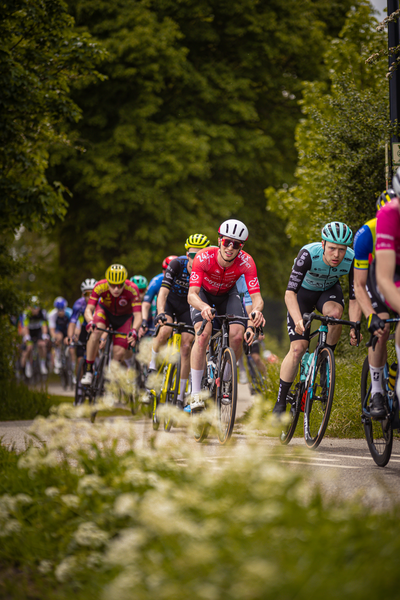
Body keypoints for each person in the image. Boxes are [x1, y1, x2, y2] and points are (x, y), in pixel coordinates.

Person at [272, 221, 359, 416]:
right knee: (298, 348)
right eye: (332, 249)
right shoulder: (308, 254)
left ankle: (325, 362)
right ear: (323, 244)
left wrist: (355, 325)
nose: (336, 255)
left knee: (336, 316)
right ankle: (280, 402)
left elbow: (355, 298)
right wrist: (297, 320)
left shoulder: (353, 259)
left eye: (342, 250)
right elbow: (289, 294)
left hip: (327, 292)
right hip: (302, 294)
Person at [188, 219, 264, 411]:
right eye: (226, 242)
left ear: (242, 246)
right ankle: (195, 392)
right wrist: (203, 307)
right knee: (202, 334)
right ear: (219, 239)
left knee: (238, 336)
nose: (230, 248)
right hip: (203, 295)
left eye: (236, 244)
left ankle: (227, 381)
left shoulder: (247, 262)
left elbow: (257, 298)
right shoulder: (203, 257)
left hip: (227, 295)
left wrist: (256, 312)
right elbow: (192, 294)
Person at [152, 233, 211, 407]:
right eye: (193, 255)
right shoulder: (176, 264)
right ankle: (151, 367)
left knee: (186, 347)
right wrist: (160, 312)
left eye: (201, 255)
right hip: (171, 303)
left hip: (188, 308)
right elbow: (163, 292)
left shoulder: (207, 270)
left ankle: (181, 395)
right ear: (187, 255)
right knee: (164, 331)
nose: (196, 259)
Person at [353, 190, 396, 418]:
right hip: (373, 277)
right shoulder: (366, 233)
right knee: (383, 327)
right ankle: (377, 392)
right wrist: (370, 315)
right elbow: (359, 284)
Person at [80, 264, 142, 386]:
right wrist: (90, 321)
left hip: (124, 318)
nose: (116, 289)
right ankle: (88, 371)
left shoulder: (132, 289)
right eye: (112, 285)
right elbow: (89, 309)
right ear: (107, 282)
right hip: (105, 312)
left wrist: (134, 330)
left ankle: (110, 378)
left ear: (125, 282)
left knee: (118, 353)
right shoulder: (100, 286)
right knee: (96, 332)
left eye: (119, 285)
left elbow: (138, 315)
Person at [374, 168, 400, 407]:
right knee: (381, 329)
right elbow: (382, 279)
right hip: (391, 273)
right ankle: (376, 391)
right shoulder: (388, 215)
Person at [66, 278, 97, 380]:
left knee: (96, 353)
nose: (90, 297)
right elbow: (72, 322)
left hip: (98, 329)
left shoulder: (101, 302)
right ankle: (79, 387)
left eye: (92, 293)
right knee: (79, 359)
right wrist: (70, 337)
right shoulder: (79, 304)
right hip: (85, 328)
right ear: (83, 295)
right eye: (87, 294)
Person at [141, 256, 177, 337]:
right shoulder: (156, 281)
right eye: (166, 271)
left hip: (179, 309)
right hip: (165, 309)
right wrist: (144, 321)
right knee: (162, 333)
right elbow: (146, 304)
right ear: (163, 271)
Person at [20, 296, 49, 377]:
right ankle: (28, 364)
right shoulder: (26, 313)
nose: (35, 309)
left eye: (37, 307)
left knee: (42, 345)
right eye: (33, 307)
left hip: (38, 331)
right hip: (29, 331)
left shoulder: (42, 312)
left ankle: (42, 364)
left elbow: (44, 325)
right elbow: (24, 326)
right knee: (29, 347)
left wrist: (44, 335)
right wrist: (26, 336)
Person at [48, 297, 73, 374]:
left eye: (62, 309)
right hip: (58, 331)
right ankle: (58, 358)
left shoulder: (70, 313)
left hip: (68, 330)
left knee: (72, 348)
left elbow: (75, 326)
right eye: (58, 310)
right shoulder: (52, 314)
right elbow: (52, 329)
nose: (60, 312)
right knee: (58, 337)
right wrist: (54, 338)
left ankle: (72, 366)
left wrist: (73, 336)